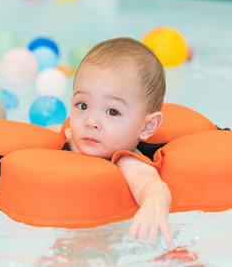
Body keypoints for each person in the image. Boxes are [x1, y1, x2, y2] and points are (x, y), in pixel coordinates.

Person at [52, 37, 172, 246]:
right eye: (82, 106)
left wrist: (153, 206)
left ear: (146, 126)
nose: (91, 121)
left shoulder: (128, 163)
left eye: (112, 111)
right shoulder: (70, 136)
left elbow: (153, 188)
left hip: (106, 246)